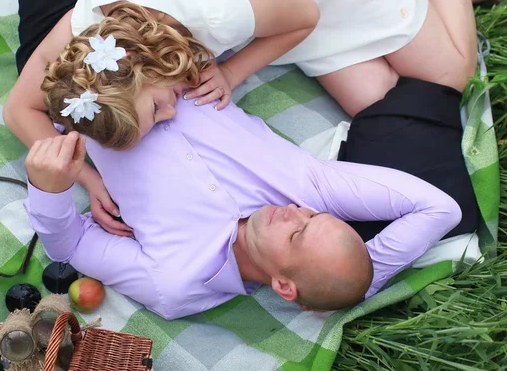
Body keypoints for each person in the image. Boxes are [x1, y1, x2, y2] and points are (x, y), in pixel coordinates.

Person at [6, 0, 492, 238]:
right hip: (273, 2)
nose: (173, 115)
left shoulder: (213, 4)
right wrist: (88, 177)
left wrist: (234, 71)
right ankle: (430, 1)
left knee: (446, 74)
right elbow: (18, 109)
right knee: (381, 97)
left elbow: (306, 16)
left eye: (158, 107)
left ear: (138, 61)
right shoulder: (88, 39)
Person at [24, 102, 461, 319]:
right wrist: (363, 279)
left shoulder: (175, 281)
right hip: (159, 30)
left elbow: (71, 245)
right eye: (310, 217)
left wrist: (54, 187)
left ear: (284, 287)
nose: (292, 212)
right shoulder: (309, 189)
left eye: (296, 234)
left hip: (76, 88)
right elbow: (439, 208)